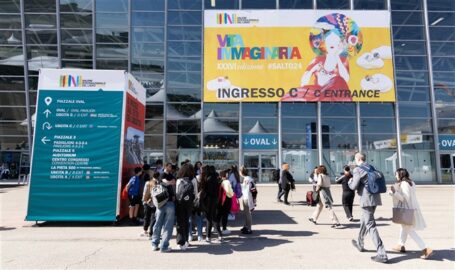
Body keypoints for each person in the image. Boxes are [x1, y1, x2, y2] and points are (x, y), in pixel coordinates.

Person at [349, 152, 388, 263]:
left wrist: (350, 181)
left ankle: (382, 254)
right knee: (364, 221)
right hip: (375, 198)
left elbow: (353, 186)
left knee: (370, 225)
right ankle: (359, 243)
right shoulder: (371, 167)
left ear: (357, 159)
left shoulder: (358, 169)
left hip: (366, 200)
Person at [389, 168, 434, 259]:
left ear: (401, 175)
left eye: (396, 174)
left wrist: (394, 193)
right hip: (412, 208)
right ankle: (400, 245)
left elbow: (405, 198)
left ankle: (425, 249)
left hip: (407, 210)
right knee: (404, 227)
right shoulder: (411, 183)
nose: (395, 176)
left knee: (409, 230)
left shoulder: (404, 184)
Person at [175, 163, 198, 250]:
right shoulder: (193, 180)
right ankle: (186, 241)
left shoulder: (179, 180)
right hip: (189, 204)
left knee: (180, 222)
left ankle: (180, 242)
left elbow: (177, 193)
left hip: (180, 204)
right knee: (187, 221)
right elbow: (195, 193)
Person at [151, 174, 176, 252]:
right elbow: (174, 197)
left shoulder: (158, 183)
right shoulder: (170, 185)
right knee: (168, 226)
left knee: (157, 224)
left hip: (159, 206)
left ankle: (154, 244)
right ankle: (164, 246)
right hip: (170, 205)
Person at [201, 165, 223, 243]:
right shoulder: (217, 178)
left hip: (208, 200)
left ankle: (208, 236)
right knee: (214, 217)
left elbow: (204, 190)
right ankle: (220, 235)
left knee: (208, 218)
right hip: (215, 199)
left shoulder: (207, 178)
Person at [142, 171, 158, 237]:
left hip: (147, 202)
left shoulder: (147, 183)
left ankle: (145, 230)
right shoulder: (158, 183)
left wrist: (144, 201)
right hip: (155, 203)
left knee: (146, 217)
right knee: (153, 218)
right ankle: (151, 233)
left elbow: (145, 192)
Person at [218, 169, 234, 236]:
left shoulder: (219, 181)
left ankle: (217, 228)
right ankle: (224, 229)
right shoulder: (226, 182)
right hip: (226, 200)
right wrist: (232, 194)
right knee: (225, 215)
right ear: (225, 175)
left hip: (219, 200)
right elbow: (229, 191)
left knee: (219, 215)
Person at [239, 166, 254, 234]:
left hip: (247, 198)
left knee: (248, 214)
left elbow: (252, 190)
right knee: (246, 213)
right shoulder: (246, 178)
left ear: (241, 172)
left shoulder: (248, 179)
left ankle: (249, 229)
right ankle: (246, 226)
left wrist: (253, 200)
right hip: (245, 197)